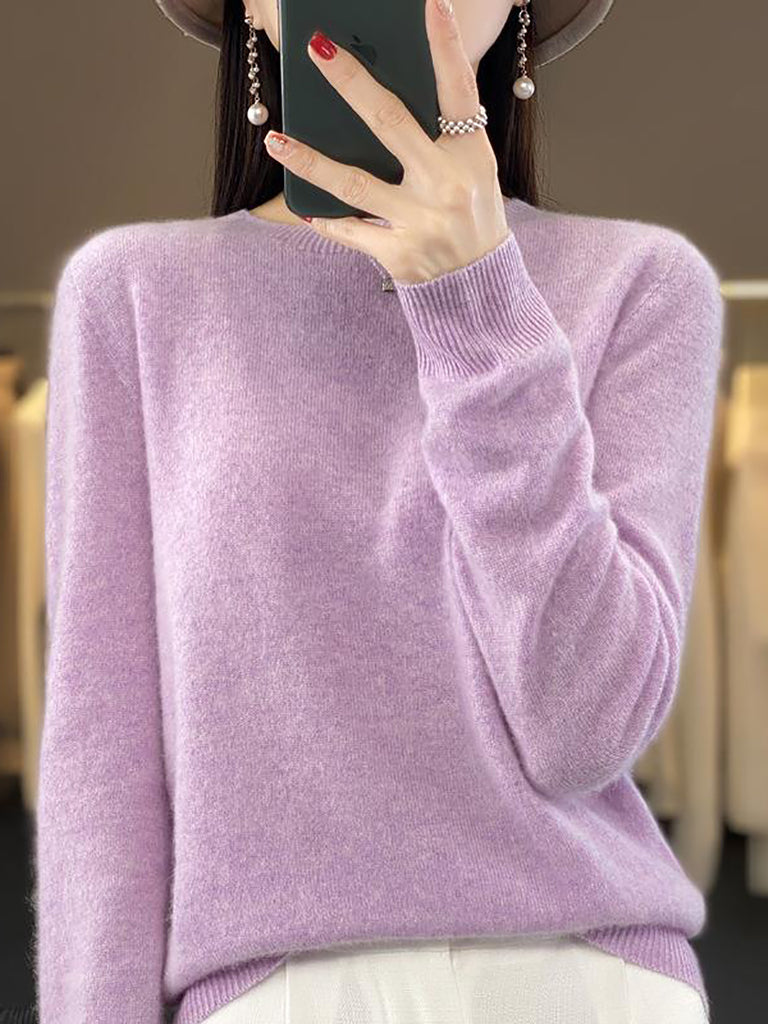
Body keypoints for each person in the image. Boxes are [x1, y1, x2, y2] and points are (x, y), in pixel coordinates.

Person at [33, 0, 722, 1021]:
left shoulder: (644, 284)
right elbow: (102, 765)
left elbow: (586, 728)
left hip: (586, 976)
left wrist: (477, 301)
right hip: (273, 989)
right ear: (255, 7)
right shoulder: (133, 296)